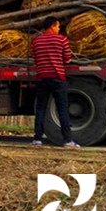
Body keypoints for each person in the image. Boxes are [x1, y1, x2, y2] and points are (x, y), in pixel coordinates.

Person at [30, 16, 79, 148]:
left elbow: (34, 56)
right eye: (58, 26)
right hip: (58, 78)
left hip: (42, 78)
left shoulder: (36, 41)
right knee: (62, 109)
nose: (59, 29)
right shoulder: (62, 40)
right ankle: (68, 141)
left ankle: (37, 139)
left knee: (40, 109)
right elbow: (67, 59)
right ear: (52, 26)